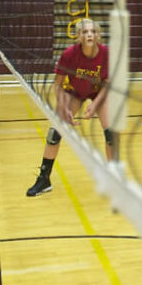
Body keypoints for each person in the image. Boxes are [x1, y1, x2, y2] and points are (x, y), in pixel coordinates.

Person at [26, 18, 118, 197]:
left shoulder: (106, 54)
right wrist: (64, 107)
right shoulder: (69, 55)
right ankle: (44, 179)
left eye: (92, 32)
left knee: (111, 134)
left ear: (98, 35)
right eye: (84, 32)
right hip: (75, 91)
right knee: (54, 133)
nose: (89, 35)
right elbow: (57, 85)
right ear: (78, 36)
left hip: (98, 92)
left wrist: (94, 106)